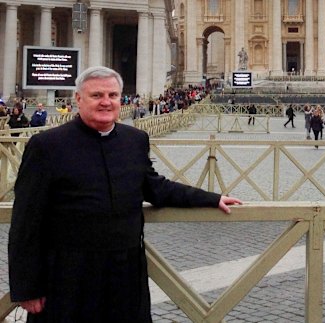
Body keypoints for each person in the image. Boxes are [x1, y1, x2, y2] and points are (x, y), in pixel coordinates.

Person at [8, 66, 242, 322]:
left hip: (125, 270)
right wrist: (27, 287)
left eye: (112, 95)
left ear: (121, 99)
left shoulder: (135, 139)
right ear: (78, 99)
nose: (106, 102)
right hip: (68, 274)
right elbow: (25, 220)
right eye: (97, 95)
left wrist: (211, 198)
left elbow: (156, 187)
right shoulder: (46, 146)